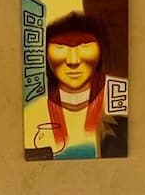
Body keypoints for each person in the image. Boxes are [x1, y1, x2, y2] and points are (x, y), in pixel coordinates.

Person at [37, 12, 127, 160]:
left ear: (102, 48)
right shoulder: (34, 103)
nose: (73, 61)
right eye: (60, 47)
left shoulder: (123, 96)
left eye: (84, 46)